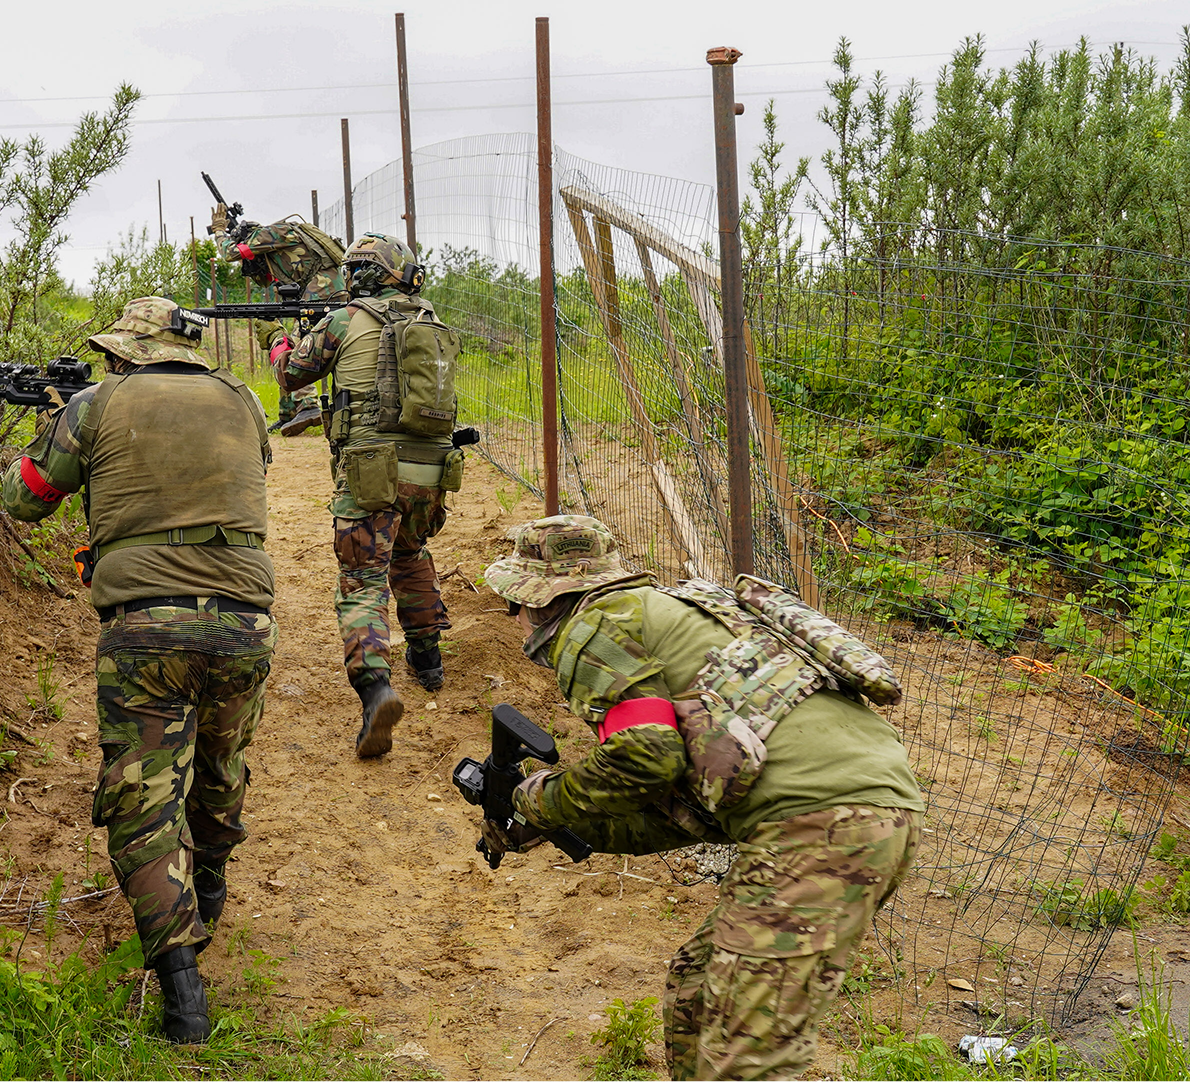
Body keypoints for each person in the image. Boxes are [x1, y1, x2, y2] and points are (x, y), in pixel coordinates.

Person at [480, 515, 926, 1082]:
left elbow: (645, 756)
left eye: (513, 605)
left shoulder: (591, 629)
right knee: (698, 984)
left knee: (749, 1061)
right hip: (870, 813)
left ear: (540, 601)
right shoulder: (679, 611)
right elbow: (686, 812)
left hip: (816, 826)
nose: (515, 620)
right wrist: (560, 825)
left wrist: (541, 801)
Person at [0, 296, 276, 1044]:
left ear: (129, 351)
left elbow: (23, 499)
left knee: (143, 799)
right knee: (221, 765)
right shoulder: (242, 399)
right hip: (246, 621)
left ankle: (184, 996)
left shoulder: (97, 403)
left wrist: (53, 423)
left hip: (145, 628)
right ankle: (209, 886)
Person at [274, 233, 461, 758]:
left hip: (371, 473)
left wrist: (282, 340)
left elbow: (291, 376)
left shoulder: (344, 320)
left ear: (358, 276)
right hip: (432, 473)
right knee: (412, 553)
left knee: (362, 578)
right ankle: (428, 660)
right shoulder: (431, 322)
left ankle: (375, 688)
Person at [209, 204, 346, 435]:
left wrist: (219, 230)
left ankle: (309, 405)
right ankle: (289, 412)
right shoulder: (282, 243)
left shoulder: (270, 234)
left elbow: (230, 253)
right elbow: (267, 277)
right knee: (288, 341)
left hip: (322, 290)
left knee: (300, 347)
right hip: (321, 289)